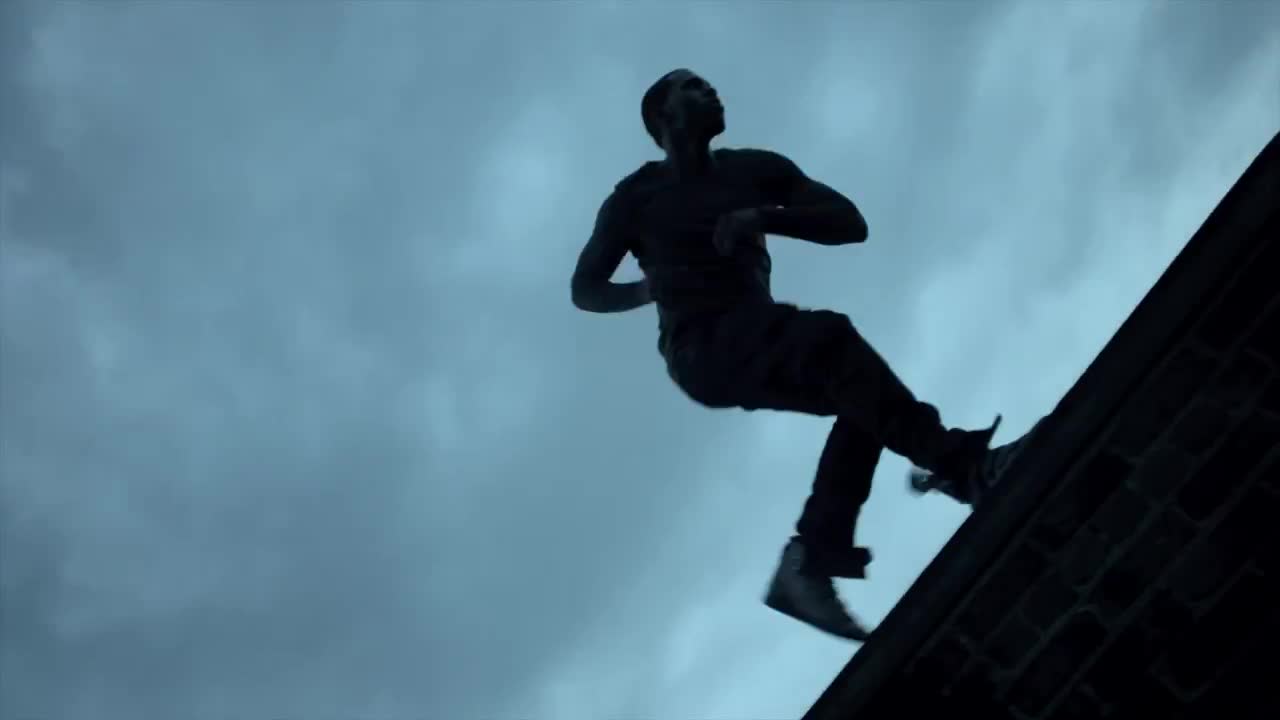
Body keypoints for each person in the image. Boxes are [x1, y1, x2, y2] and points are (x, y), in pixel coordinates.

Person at [570, 69, 1000, 641]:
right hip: (702, 350)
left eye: (709, 85)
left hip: (756, 331)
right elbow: (585, 287)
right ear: (664, 117)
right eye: (693, 88)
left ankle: (812, 559)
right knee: (831, 340)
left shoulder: (755, 170)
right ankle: (962, 467)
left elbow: (850, 223)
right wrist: (646, 290)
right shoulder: (635, 198)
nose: (712, 91)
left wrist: (764, 216)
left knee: (864, 398)